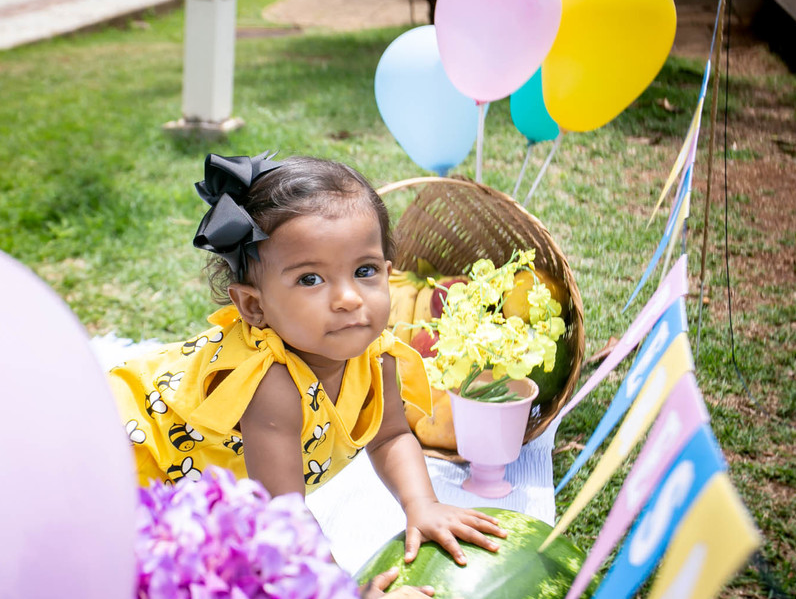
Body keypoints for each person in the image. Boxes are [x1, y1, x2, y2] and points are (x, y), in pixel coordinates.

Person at [109, 152, 504, 565]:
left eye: (365, 271)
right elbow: (285, 516)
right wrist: (338, 598)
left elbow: (390, 436)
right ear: (253, 306)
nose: (349, 299)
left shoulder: (378, 356)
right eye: (310, 279)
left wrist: (422, 504)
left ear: (389, 272)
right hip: (132, 455)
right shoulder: (270, 383)